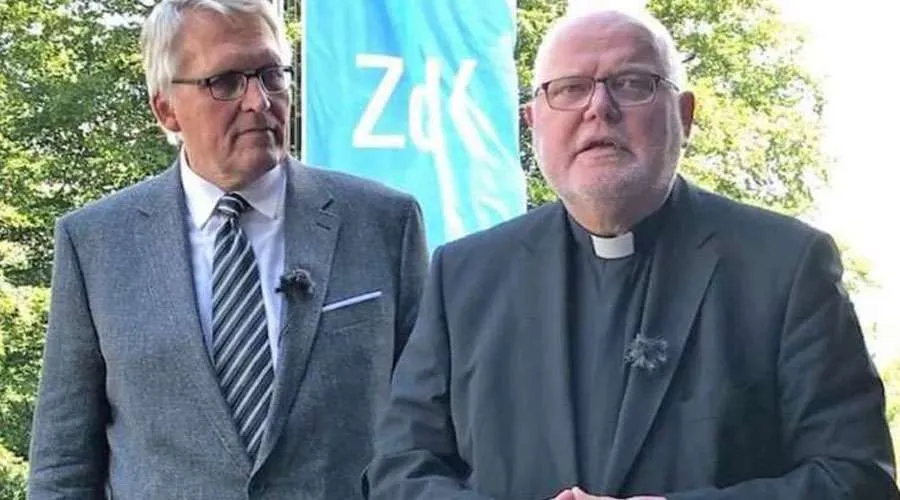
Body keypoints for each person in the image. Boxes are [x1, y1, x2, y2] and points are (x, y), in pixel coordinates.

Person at [364, 6, 898, 500]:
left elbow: (856, 479)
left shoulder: (784, 265)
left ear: (684, 115)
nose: (599, 108)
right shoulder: (464, 276)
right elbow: (399, 470)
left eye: (632, 84)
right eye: (569, 89)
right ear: (533, 122)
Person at [27, 0, 427, 498]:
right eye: (227, 82)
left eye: (271, 75)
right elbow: (63, 466)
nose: (259, 101)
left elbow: (429, 430)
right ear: (166, 108)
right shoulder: (96, 244)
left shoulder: (384, 223)